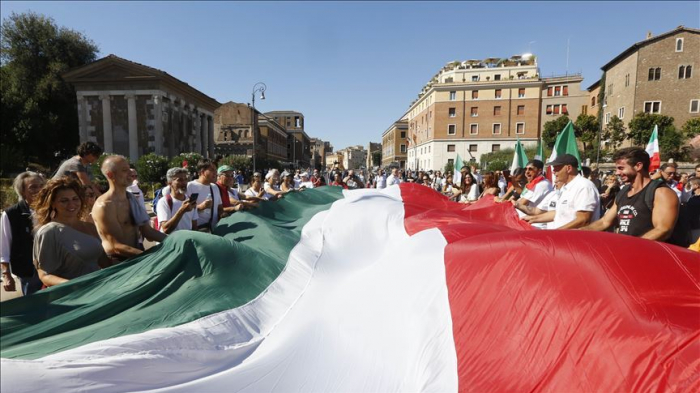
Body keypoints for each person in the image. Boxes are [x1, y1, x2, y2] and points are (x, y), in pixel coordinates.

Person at [580, 148, 679, 241]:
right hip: (626, 254)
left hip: (649, 255)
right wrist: (575, 232)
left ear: (638, 166)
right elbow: (604, 222)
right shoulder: (624, 191)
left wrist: (631, 247)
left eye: (621, 168)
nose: (617, 173)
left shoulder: (661, 192)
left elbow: (663, 230)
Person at [32, 177, 110, 287]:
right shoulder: (48, 232)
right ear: (53, 203)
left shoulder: (90, 227)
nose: (71, 204)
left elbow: (105, 263)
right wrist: (75, 285)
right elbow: (45, 276)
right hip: (71, 295)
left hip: (98, 289)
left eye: (75, 199)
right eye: (64, 201)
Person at [93, 155, 166, 261]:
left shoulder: (131, 198)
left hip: (137, 253)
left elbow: (148, 232)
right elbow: (115, 246)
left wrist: (176, 240)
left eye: (129, 169)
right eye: (124, 170)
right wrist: (150, 258)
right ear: (110, 175)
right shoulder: (105, 205)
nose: (131, 173)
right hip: (118, 262)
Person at [523, 154, 600, 229]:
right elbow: (559, 213)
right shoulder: (565, 188)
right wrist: (532, 219)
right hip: (563, 238)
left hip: (576, 239)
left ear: (568, 168)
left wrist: (558, 232)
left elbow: (583, 219)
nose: (553, 172)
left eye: (557, 168)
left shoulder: (584, 186)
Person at [0, 172, 45, 295]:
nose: (39, 190)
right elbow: (4, 248)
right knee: (35, 307)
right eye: (33, 187)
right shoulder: (11, 214)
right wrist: (6, 275)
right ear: (22, 191)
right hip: (29, 272)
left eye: (41, 185)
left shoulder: (52, 209)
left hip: (54, 268)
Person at [156, 168, 198, 234]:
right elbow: (166, 229)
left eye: (185, 179)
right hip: (171, 243)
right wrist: (182, 211)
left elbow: (194, 226)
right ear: (169, 183)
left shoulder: (190, 201)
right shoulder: (163, 202)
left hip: (186, 242)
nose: (184, 183)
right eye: (180, 180)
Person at [187, 160, 225, 232]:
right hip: (196, 231)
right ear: (202, 172)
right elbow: (185, 210)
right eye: (212, 170)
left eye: (216, 170)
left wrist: (223, 214)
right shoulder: (190, 186)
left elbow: (220, 208)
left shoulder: (215, 187)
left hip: (213, 230)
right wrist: (201, 207)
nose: (215, 173)